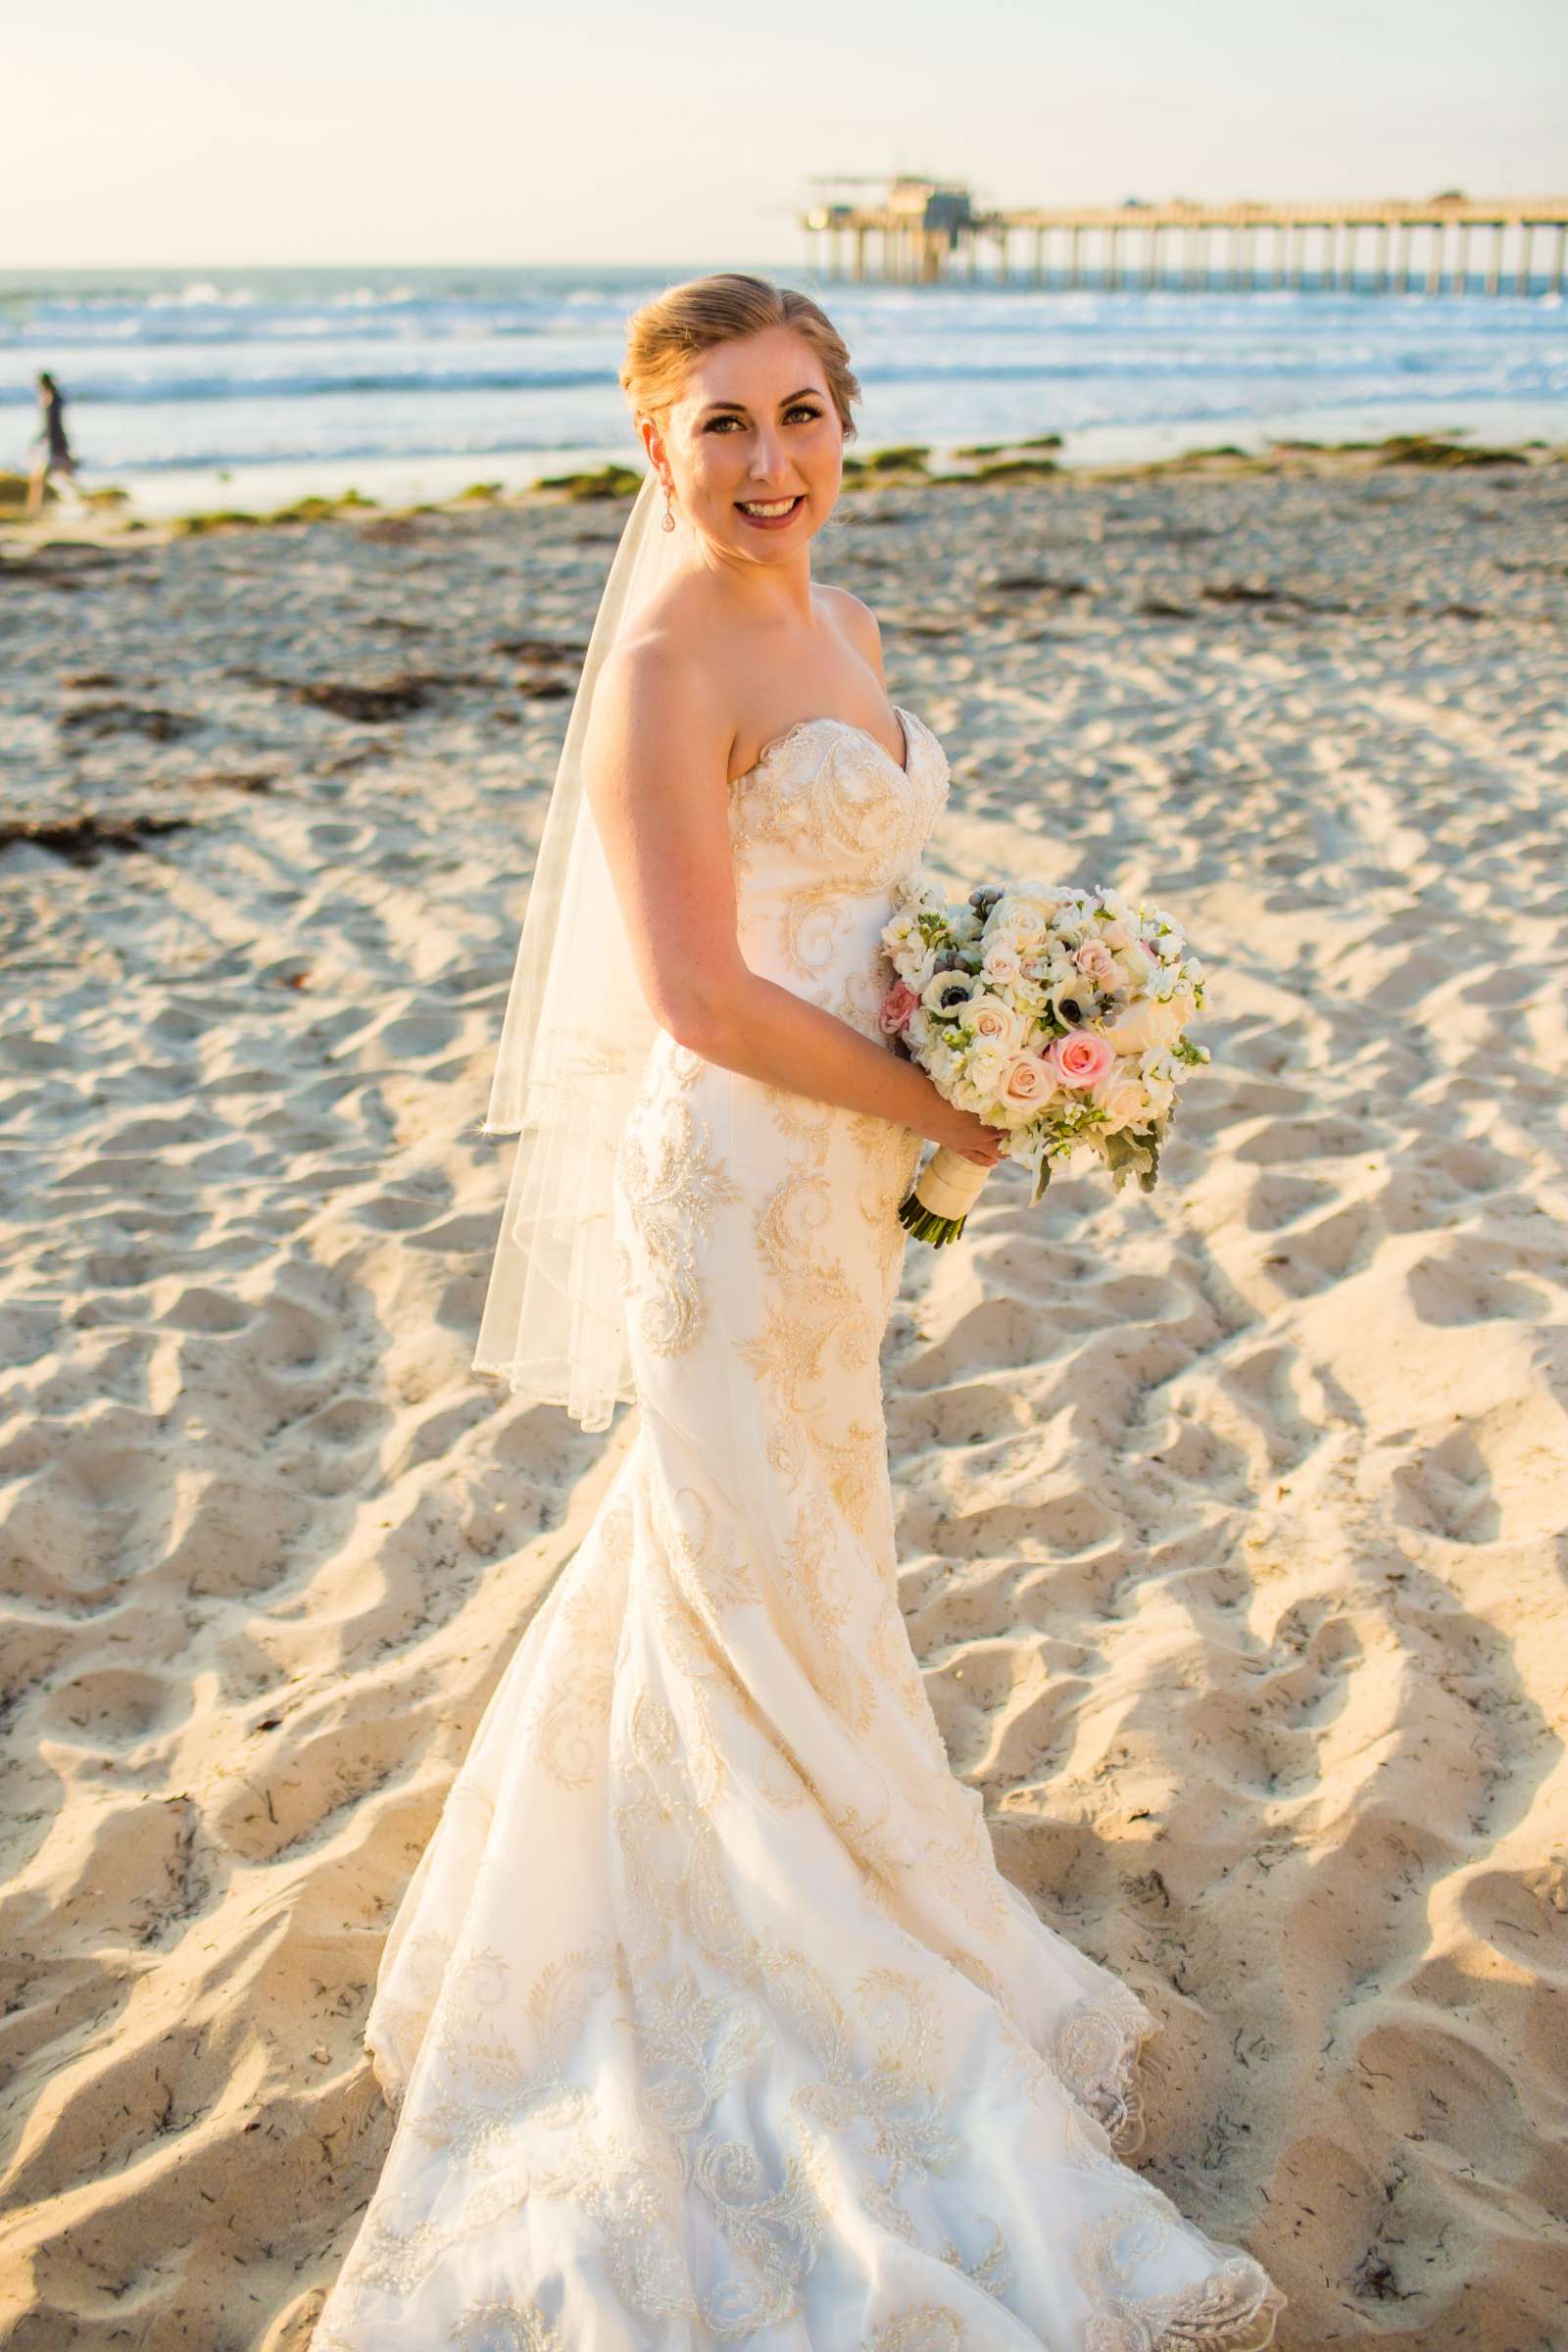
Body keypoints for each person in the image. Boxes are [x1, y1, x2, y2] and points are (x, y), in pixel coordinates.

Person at [308, 273, 1287, 2351]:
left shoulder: (840, 624)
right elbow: (694, 992)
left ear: (850, 421)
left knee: (802, 1538)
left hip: (843, 1179)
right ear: (652, 452)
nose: (770, 465)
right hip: (737, 1175)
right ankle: (725, 1952)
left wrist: (1006, 1018)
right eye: (723, 428)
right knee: (736, 1551)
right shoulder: (667, 655)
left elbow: (856, 899)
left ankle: (820, 1857)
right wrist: (940, 1095)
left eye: (801, 414)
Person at [26, 372, 87, 517]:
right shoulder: (55, 400)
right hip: (58, 446)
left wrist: (43, 440)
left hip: (56, 447)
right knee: (66, 479)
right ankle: (85, 503)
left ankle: (35, 511)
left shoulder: (52, 401)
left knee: (40, 479)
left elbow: (52, 427)